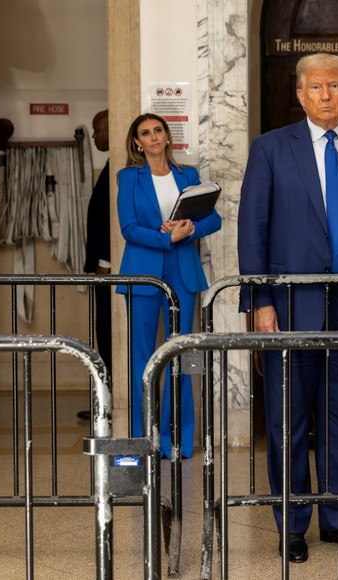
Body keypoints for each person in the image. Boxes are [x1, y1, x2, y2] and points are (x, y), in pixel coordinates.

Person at [237, 53, 338, 564]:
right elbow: (253, 231)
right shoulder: (270, 150)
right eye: (316, 86)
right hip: (290, 307)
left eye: (336, 86)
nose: (326, 94)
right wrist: (260, 301)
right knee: (290, 421)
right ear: (300, 93)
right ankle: (292, 525)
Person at [115, 113, 222, 459]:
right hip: (144, 273)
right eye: (145, 133)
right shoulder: (129, 177)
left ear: (166, 136)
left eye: (158, 130)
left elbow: (214, 218)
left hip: (183, 272)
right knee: (142, 358)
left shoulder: (187, 175)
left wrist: (190, 230)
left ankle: (178, 440)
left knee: (181, 354)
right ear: (137, 143)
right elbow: (128, 228)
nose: (153, 136)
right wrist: (166, 236)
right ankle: (142, 439)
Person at [79, 109, 112, 422]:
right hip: (104, 267)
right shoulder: (110, 164)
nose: (93, 136)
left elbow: (109, 220)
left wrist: (104, 262)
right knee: (105, 334)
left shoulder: (119, 169)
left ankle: (109, 404)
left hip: (109, 269)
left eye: (97, 129)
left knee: (109, 333)